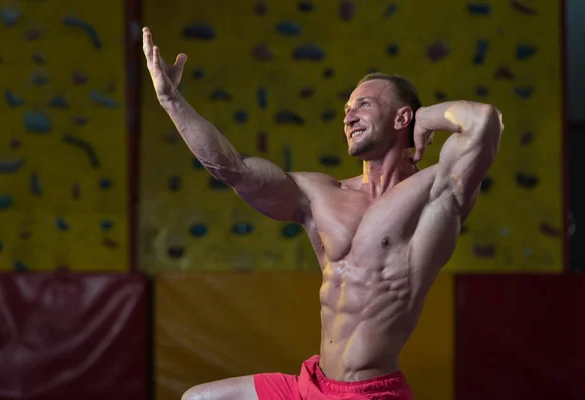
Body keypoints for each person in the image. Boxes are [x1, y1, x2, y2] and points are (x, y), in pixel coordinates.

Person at [142, 26, 503, 400]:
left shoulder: (436, 191)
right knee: (197, 399)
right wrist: (171, 100)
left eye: (363, 104)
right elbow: (231, 168)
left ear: (401, 118)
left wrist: (425, 118)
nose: (348, 116)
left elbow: (484, 122)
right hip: (311, 385)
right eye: (346, 109)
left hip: (371, 392)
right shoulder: (320, 194)